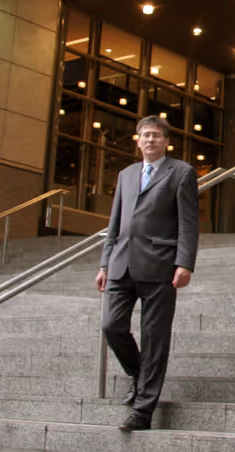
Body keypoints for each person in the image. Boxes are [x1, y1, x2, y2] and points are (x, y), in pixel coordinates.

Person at [95, 116, 199, 432]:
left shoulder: (181, 173)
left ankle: (142, 411)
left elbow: (188, 222)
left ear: (166, 141)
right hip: (121, 264)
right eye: (144, 135)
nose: (149, 140)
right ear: (138, 140)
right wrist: (104, 263)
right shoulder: (126, 175)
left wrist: (185, 262)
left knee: (155, 340)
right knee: (112, 326)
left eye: (155, 135)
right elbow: (114, 223)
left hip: (160, 265)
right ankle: (139, 373)